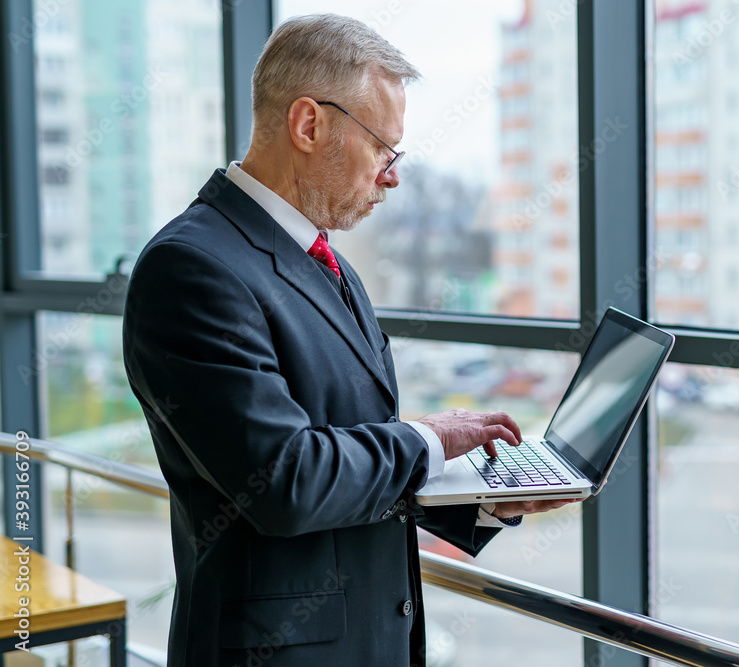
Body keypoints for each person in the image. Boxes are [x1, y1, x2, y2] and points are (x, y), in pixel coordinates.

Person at [123, 13, 573, 667]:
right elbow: (283, 479)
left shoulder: (323, 259)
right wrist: (429, 438)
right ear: (309, 125)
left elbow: (354, 453)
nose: (392, 176)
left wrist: (485, 502)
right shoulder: (191, 269)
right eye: (383, 149)